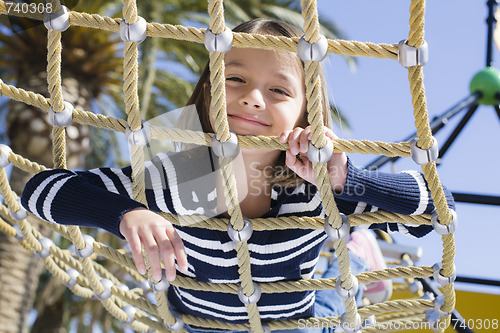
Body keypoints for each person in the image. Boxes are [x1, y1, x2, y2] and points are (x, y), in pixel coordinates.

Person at [21, 19, 454, 333]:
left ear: (307, 113)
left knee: (339, 294)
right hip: (202, 326)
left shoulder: (314, 185)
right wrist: (125, 213)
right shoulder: (172, 179)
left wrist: (348, 179)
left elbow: (441, 208)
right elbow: (40, 191)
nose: (251, 99)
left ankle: (360, 258)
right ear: (208, 93)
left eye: (279, 90)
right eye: (235, 80)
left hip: (302, 321)